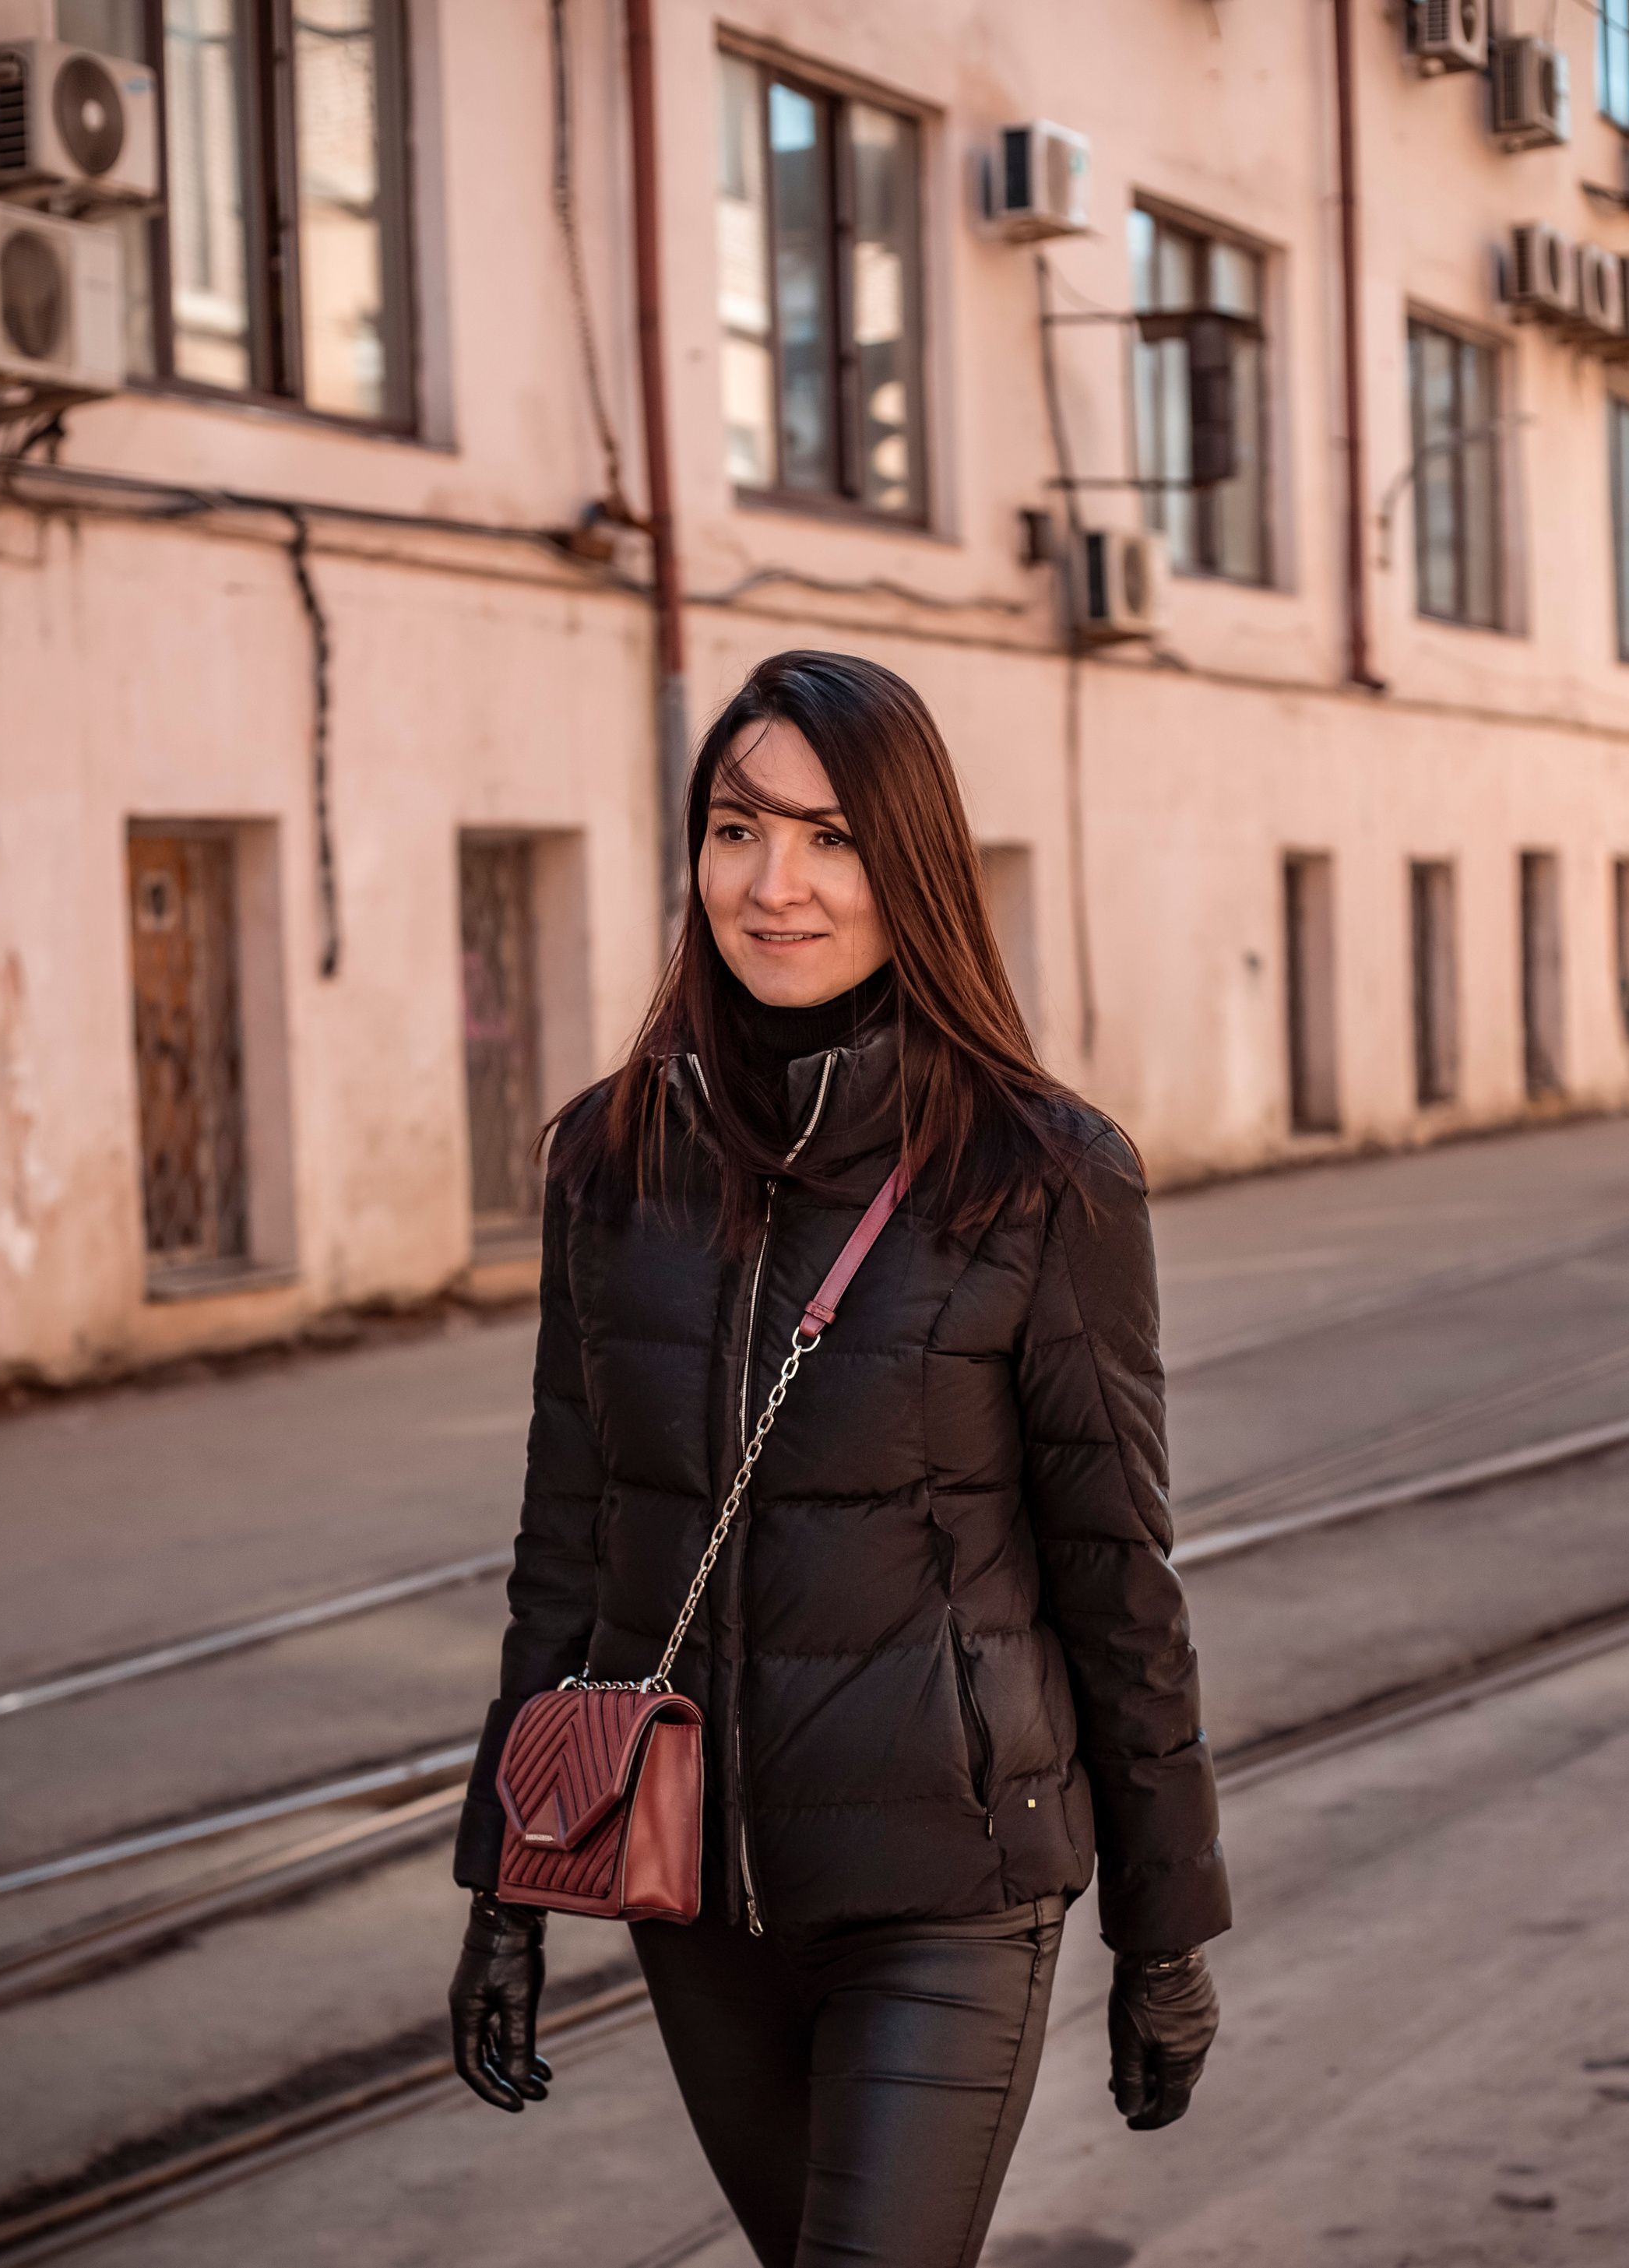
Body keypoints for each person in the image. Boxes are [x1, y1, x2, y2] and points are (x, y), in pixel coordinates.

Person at [448, 651, 1229, 2267]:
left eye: (829, 838)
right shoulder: (614, 1158)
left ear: (909, 864)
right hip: (704, 1898)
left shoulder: (1042, 1174)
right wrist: (503, 1881)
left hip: (949, 1877)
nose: (772, 884)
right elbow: (568, 1541)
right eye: (735, 829)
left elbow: (1111, 1572)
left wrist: (1164, 1924)